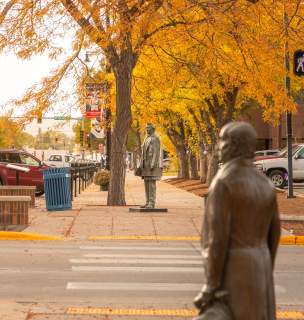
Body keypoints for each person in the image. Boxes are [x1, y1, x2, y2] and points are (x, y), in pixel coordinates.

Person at [194, 121, 281, 320]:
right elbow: (274, 236)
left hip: (234, 267)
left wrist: (211, 284)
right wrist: (265, 265)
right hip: (261, 263)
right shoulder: (266, 184)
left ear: (235, 145)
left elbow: (217, 239)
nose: (219, 147)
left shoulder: (224, 182)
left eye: (222, 141)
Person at [140, 123, 162, 209]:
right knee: (146, 183)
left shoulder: (155, 138)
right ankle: (147, 201)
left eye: (148, 128)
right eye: (146, 128)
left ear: (152, 129)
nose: (146, 129)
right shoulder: (146, 138)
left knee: (151, 184)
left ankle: (151, 202)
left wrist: (153, 163)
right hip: (146, 164)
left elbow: (156, 152)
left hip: (152, 164)